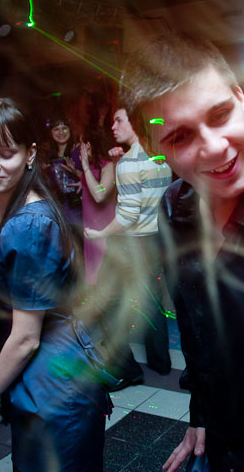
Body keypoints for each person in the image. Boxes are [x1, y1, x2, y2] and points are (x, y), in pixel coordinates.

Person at [118, 34, 244, 472]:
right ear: (155, 150)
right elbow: (195, 328)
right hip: (220, 438)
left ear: (240, 100)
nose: (213, 146)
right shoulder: (174, 207)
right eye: (180, 136)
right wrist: (201, 414)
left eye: (220, 115)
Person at [0, 98, 111, 471]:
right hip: (56, 375)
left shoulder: (27, 223)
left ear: (29, 154)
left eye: (5, 153)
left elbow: (27, 337)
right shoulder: (25, 209)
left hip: (54, 388)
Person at [84, 107, 173, 385]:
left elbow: (127, 216)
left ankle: (125, 369)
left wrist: (100, 233)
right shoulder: (160, 157)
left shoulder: (129, 162)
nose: (113, 126)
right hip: (154, 239)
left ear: (135, 123)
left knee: (106, 302)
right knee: (152, 301)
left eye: (119, 120)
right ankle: (161, 363)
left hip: (130, 242)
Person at [76, 120, 117, 285]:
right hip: (90, 225)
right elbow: (91, 184)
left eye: (81, 144)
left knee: (103, 274)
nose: (78, 148)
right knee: (92, 272)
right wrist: (81, 180)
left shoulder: (109, 166)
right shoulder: (93, 166)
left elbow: (100, 195)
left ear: (89, 145)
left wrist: (85, 167)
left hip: (103, 227)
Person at [42, 116, 83, 226]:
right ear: (51, 132)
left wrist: (81, 178)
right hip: (62, 208)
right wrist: (44, 173)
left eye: (64, 128)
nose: (61, 132)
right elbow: (51, 186)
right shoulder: (49, 156)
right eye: (56, 129)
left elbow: (99, 183)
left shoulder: (80, 150)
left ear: (70, 130)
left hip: (82, 205)